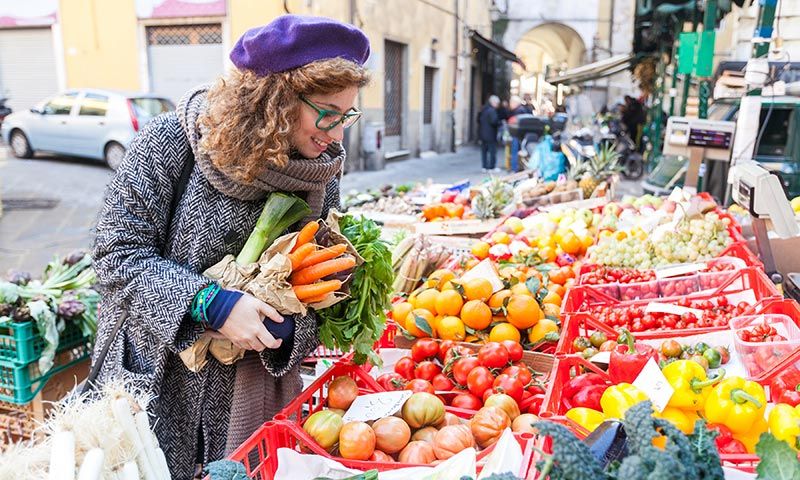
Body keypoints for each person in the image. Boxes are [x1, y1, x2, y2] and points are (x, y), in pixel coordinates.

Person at [91, 15, 370, 478]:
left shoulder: (319, 173)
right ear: (275, 100)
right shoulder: (169, 143)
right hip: (150, 386)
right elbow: (115, 257)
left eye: (347, 115)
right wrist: (209, 304)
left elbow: (319, 293)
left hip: (243, 403)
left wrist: (283, 334)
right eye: (327, 113)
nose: (338, 134)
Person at [477, 94, 501, 172]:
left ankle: (484, 167)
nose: (497, 105)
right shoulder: (492, 111)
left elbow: (478, 120)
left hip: (483, 133)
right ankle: (491, 167)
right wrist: (500, 123)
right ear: (493, 102)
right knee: (492, 151)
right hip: (490, 134)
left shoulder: (483, 109)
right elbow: (494, 121)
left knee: (484, 151)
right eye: (497, 103)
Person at [507, 95, 529, 172]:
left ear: (514, 103)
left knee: (515, 152)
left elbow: (515, 124)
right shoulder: (520, 109)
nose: (510, 104)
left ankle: (515, 168)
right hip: (519, 135)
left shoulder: (518, 111)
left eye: (511, 102)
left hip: (517, 135)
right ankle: (515, 168)